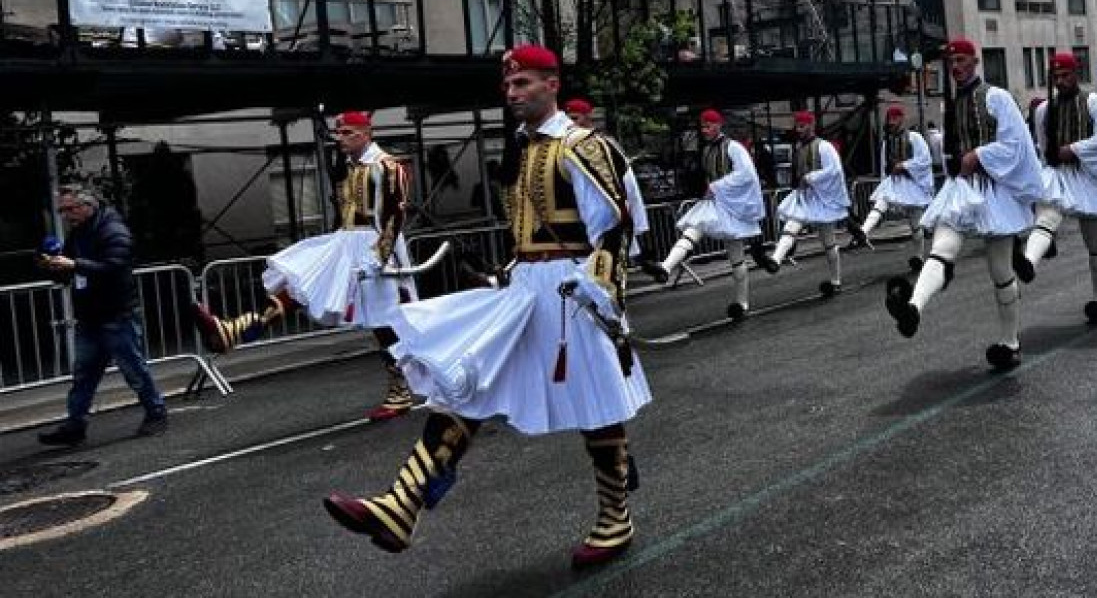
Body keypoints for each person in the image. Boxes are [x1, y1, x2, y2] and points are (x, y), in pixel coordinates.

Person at [323, 44, 650, 566]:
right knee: (465, 380)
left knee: (597, 407)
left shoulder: (583, 145)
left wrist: (602, 291)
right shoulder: (521, 148)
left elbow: (613, 226)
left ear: (552, 83)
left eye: (523, 84)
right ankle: (401, 504)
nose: (512, 93)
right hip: (524, 287)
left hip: (571, 290)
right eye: (508, 85)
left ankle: (616, 516)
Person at [192, 110, 418, 422]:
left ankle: (405, 386)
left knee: (387, 324)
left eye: (347, 133)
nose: (340, 139)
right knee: (301, 283)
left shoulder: (387, 167)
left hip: (375, 249)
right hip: (347, 244)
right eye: (339, 133)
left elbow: (395, 216)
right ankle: (236, 329)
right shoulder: (352, 167)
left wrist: (379, 257)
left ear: (367, 133)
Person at [884, 38, 1042, 371]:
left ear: (974, 61)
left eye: (960, 60)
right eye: (951, 61)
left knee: (1000, 271)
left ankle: (1010, 341)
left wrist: (978, 156)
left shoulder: (997, 97)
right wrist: (955, 164)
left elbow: (1015, 145)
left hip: (993, 191)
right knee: (941, 247)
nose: (955, 66)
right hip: (962, 189)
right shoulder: (951, 105)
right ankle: (913, 307)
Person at [36, 186, 168, 446]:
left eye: (69, 209)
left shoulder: (113, 230)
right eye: (62, 210)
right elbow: (72, 272)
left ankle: (156, 412)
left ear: (88, 206)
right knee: (83, 374)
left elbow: (114, 266)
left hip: (117, 313)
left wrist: (74, 265)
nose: (65, 215)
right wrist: (52, 266)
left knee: (133, 369)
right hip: (90, 316)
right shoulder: (78, 234)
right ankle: (75, 425)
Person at [1014, 52, 1097, 324]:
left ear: (1076, 74)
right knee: (1047, 216)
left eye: (1065, 76)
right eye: (1056, 77)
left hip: (1089, 177)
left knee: (1096, 243)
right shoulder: (1044, 110)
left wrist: (1074, 150)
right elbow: (1043, 146)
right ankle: (1028, 262)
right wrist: (1053, 161)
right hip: (1058, 175)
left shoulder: (1096, 104)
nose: (1061, 81)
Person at [641, 109, 773, 320]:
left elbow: (747, 174)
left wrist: (717, 186)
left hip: (732, 207)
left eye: (708, 126)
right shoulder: (707, 151)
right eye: (703, 127)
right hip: (716, 203)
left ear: (719, 125)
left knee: (736, 257)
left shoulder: (734, 148)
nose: (705, 130)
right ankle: (665, 268)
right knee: (694, 228)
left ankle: (742, 303)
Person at [765, 110, 857, 295]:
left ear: (811, 125)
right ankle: (775, 259)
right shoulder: (798, 148)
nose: (799, 129)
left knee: (828, 241)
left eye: (802, 126)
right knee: (792, 224)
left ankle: (835, 280)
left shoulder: (824, 147)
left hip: (821, 199)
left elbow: (835, 171)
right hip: (805, 197)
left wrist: (812, 177)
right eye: (797, 126)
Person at [851, 104, 934, 273]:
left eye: (895, 118)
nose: (892, 122)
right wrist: (885, 182)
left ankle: (919, 256)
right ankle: (863, 231)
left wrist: (904, 165)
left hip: (911, 183)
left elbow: (924, 160)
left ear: (902, 119)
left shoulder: (914, 138)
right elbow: (884, 165)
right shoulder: (886, 142)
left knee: (915, 224)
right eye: (890, 118)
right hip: (894, 181)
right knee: (881, 203)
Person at [568, 97, 652, 263]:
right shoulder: (567, 144)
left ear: (587, 117)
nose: (570, 124)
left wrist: (629, 210)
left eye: (575, 118)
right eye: (568, 118)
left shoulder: (604, 142)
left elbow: (626, 179)